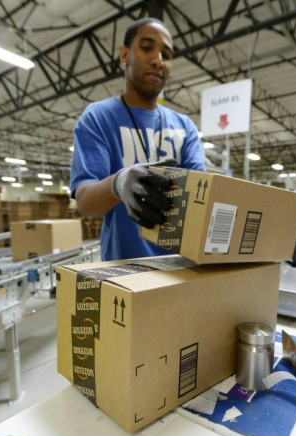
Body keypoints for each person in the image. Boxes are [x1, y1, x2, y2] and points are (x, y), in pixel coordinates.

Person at [70, 17, 205, 261]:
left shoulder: (185, 127)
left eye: (166, 54)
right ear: (124, 55)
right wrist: (118, 184)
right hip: (124, 273)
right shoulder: (99, 118)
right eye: (146, 48)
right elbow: (85, 203)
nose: (157, 61)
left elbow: (200, 196)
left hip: (181, 270)